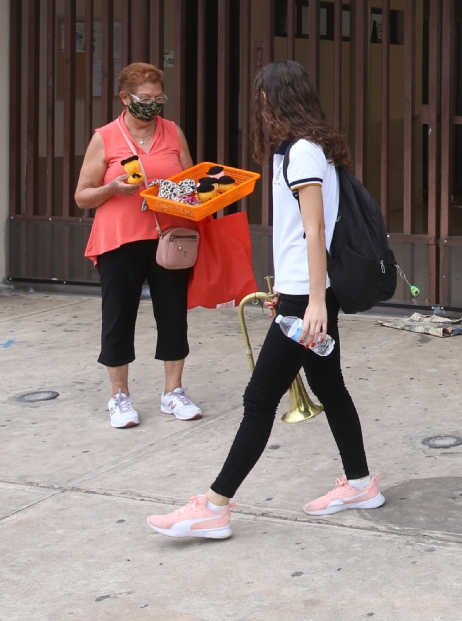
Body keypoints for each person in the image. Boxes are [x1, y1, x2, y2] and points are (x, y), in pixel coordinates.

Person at [146, 61, 383, 539]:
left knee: (258, 399)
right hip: (302, 295)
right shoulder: (303, 151)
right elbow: (301, 233)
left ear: (271, 102)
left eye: (260, 101)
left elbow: (315, 229)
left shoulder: (301, 154)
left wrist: (314, 301)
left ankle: (214, 505)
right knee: (330, 388)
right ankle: (360, 482)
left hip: (307, 302)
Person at [74, 62, 199, 429]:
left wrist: (183, 192)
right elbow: (82, 196)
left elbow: (191, 182)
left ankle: (172, 392)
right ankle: (119, 396)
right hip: (119, 240)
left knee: (174, 315)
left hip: (168, 238)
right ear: (125, 98)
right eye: (145, 99)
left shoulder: (173, 132)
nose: (153, 105)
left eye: (159, 98)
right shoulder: (106, 137)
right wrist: (113, 188)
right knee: (118, 317)